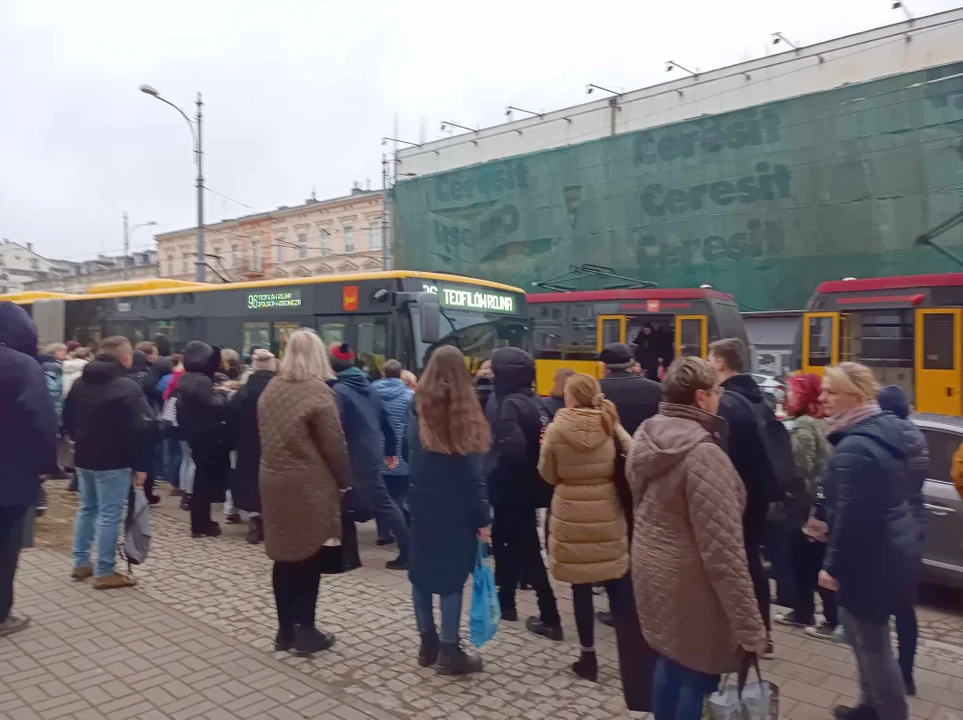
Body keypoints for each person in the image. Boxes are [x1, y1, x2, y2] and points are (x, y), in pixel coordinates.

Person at [628, 356, 766, 720]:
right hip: (693, 587)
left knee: (669, 660)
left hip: (652, 570)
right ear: (702, 397)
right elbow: (724, 554)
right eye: (718, 391)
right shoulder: (704, 455)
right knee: (696, 671)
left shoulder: (647, 432)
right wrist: (750, 627)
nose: (720, 398)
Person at [539, 373, 654, 715]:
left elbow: (547, 473)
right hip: (607, 510)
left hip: (572, 511)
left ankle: (587, 658)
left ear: (571, 398)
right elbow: (634, 454)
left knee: (581, 586)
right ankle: (632, 664)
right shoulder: (608, 423)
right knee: (619, 583)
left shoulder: (558, 428)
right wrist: (615, 423)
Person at [818, 363, 919, 720]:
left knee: (873, 648)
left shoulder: (855, 446)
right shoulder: (881, 429)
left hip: (869, 562)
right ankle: (869, 706)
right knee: (864, 642)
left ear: (856, 397)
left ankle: (889, 712)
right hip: (888, 552)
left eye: (831, 391)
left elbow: (852, 516)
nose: (822, 397)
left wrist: (832, 566)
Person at [256, 329, 351, 656]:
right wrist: (344, 480)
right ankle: (306, 631)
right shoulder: (318, 391)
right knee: (309, 553)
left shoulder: (270, 387)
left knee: (284, 555)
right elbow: (334, 445)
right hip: (309, 484)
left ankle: (284, 631)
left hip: (272, 480)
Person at [405, 346, 491, 675]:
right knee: (452, 579)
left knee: (421, 574)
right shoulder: (464, 410)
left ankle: (427, 644)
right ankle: (449, 650)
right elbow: (474, 475)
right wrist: (483, 519)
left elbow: (406, 449)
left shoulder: (415, 406)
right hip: (455, 508)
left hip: (421, 503)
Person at [63, 336, 154, 589]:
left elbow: (67, 419)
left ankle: (81, 563)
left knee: (87, 509)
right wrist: (142, 465)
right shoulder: (127, 387)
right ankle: (104, 570)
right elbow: (143, 428)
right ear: (125, 358)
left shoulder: (80, 383)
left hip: (84, 457)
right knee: (109, 514)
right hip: (114, 460)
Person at [488, 346, 563, 640]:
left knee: (523, 548)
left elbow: (511, 450)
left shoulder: (509, 404)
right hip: (532, 486)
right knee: (508, 542)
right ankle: (506, 602)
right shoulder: (539, 403)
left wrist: (489, 465)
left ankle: (550, 615)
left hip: (510, 489)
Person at [708, 337, 774, 656]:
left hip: (739, 494)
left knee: (736, 562)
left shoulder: (727, 402)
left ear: (720, 363)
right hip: (760, 491)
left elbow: (723, 454)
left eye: (710, 358)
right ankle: (764, 629)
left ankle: (744, 631)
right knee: (751, 560)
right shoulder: (758, 397)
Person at [0, 303, 58, 635]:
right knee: (5, 547)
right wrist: (44, 467)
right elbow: (42, 420)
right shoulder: (22, 365)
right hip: (10, 475)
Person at [328, 343, 405, 569]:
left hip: (354, 456)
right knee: (383, 503)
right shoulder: (369, 387)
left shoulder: (339, 391)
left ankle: (408, 548)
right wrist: (390, 451)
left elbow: (336, 427)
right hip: (371, 453)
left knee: (382, 504)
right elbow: (386, 422)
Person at [773, 374, 835, 637]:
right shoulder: (825, 423)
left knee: (801, 563)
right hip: (823, 506)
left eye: (792, 392)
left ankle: (807, 613)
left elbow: (798, 470)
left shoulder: (803, 427)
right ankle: (818, 615)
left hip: (804, 506)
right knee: (817, 562)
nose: (787, 396)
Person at [876, 384, 928, 696]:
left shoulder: (884, 438)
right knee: (905, 607)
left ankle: (884, 680)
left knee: (877, 607)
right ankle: (906, 674)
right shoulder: (918, 438)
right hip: (914, 526)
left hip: (888, 527)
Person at [175, 340, 233, 538]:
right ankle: (202, 524)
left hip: (195, 434)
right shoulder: (201, 381)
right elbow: (212, 404)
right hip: (207, 436)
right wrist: (224, 395)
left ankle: (200, 522)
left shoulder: (187, 378)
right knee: (204, 482)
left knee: (201, 479)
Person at [229, 349, 276, 544]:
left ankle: (256, 522)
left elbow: (233, 413)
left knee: (251, 479)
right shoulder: (280, 387)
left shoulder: (245, 390)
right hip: (275, 442)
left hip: (249, 441)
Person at [373, 359, 414, 546]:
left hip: (377, 451)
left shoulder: (372, 393)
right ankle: (401, 534)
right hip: (401, 453)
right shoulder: (409, 397)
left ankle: (383, 533)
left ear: (383, 373)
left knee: (381, 495)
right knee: (398, 496)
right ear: (400, 375)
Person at [599, 343, 662, 436]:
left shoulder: (595, 389)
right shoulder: (657, 389)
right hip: (644, 447)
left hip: (608, 448)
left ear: (605, 365)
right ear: (632, 363)